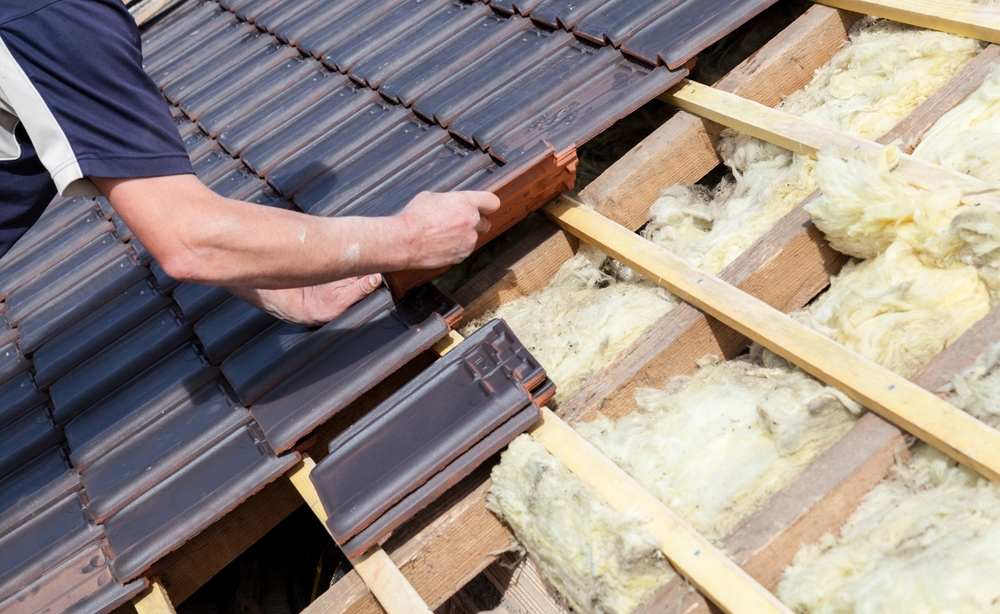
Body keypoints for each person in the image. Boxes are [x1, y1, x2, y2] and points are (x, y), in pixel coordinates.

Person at [0, 0, 500, 325]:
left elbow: (143, 191)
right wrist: (409, 239)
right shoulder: (48, 15)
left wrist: (284, 289)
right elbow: (190, 240)